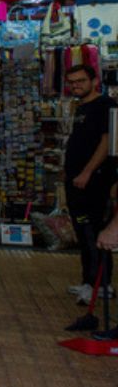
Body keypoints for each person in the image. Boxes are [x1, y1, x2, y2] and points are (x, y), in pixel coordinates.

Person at [61, 64, 114, 305]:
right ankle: (88, 282)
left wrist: (87, 172)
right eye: (72, 82)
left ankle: (101, 285)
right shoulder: (82, 107)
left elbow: (107, 142)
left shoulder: (105, 106)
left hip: (93, 182)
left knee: (94, 234)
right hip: (77, 182)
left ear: (94, 81)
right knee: (84, 233)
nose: (76, 85)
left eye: (81, 80)